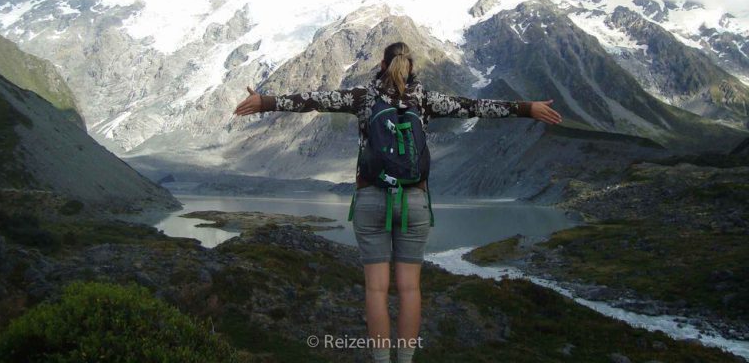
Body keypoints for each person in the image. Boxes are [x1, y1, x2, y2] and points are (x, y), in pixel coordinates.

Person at [232, 41, 563, 363]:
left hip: (370, 198)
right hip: (415, 202)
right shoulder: (426, 100)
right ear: (412, 68)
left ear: (381, 66)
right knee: (409, 289)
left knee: (376, 290)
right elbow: (476, 107)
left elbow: (314, 100)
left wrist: (265, 101)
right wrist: (526, 107)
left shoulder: (362, 98)